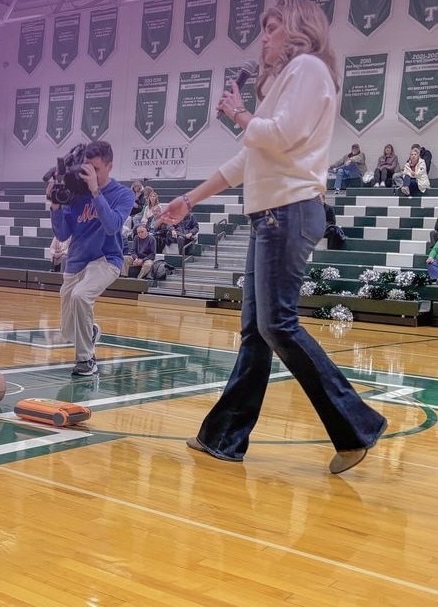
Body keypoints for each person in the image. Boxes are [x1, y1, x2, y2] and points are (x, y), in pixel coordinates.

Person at [158, 0, 386, 474]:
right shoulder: (287, 80)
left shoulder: (308, 68)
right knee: (256, 332)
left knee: (276, 326)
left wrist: (241, 116)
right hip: (272, 214)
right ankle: (223, 436)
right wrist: (191, 199)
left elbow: (279, 135)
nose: (262, 37)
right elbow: (250, 160)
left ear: (298, 27)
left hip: (289, 210)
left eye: (272, 26)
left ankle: (356, 426)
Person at [48, 140, 134, 376]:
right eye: (87, 166)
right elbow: (63, 233)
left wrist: (96, 191)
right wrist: (55, 204)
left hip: (107, 259)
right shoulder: (76, 192)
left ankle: (86, 361)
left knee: (80, 295)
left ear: (109, 167)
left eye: (96, 169)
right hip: (76, 260)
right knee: (68, 332)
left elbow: (112, 225)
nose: (89, 173)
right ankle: (90, 332)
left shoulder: (123, 194)